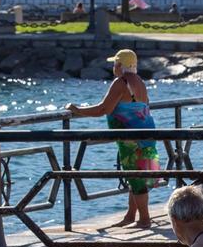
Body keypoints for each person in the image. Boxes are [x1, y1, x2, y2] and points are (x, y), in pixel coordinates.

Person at [66, 49, 161, 228]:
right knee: (137, 175)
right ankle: (131, 215)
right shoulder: (139, 81)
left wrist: (77, 110)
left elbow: (103, 109)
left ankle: (144, 220)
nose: (112, 67)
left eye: (114, 64)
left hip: (131, 138)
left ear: (119, 65)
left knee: (135, 176)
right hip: (146, 133)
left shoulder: (120, 82)